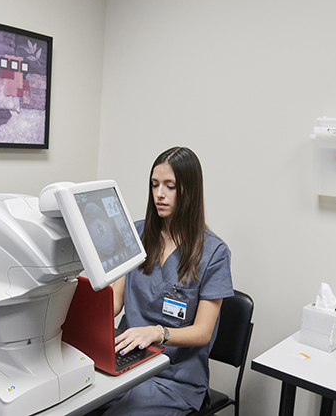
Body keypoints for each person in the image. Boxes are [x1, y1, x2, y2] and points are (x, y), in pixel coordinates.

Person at [96, 147, 234, 415]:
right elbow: (116, 299)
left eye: (170, 186)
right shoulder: (136, 234)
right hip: (127, 361)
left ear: (190, 191)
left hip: (174, 377)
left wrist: (158, 332)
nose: (159, 194)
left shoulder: (214, 253)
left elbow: (203, 332)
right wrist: (83, 309)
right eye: (155, 185)